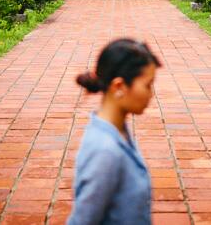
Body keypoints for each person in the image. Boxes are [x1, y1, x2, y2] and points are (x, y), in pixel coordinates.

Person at [67, 39, 161, 225]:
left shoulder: (118, 132)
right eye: (147, 85)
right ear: (119, 87)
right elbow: (83, 219)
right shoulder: (105, 150)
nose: (151, 94)